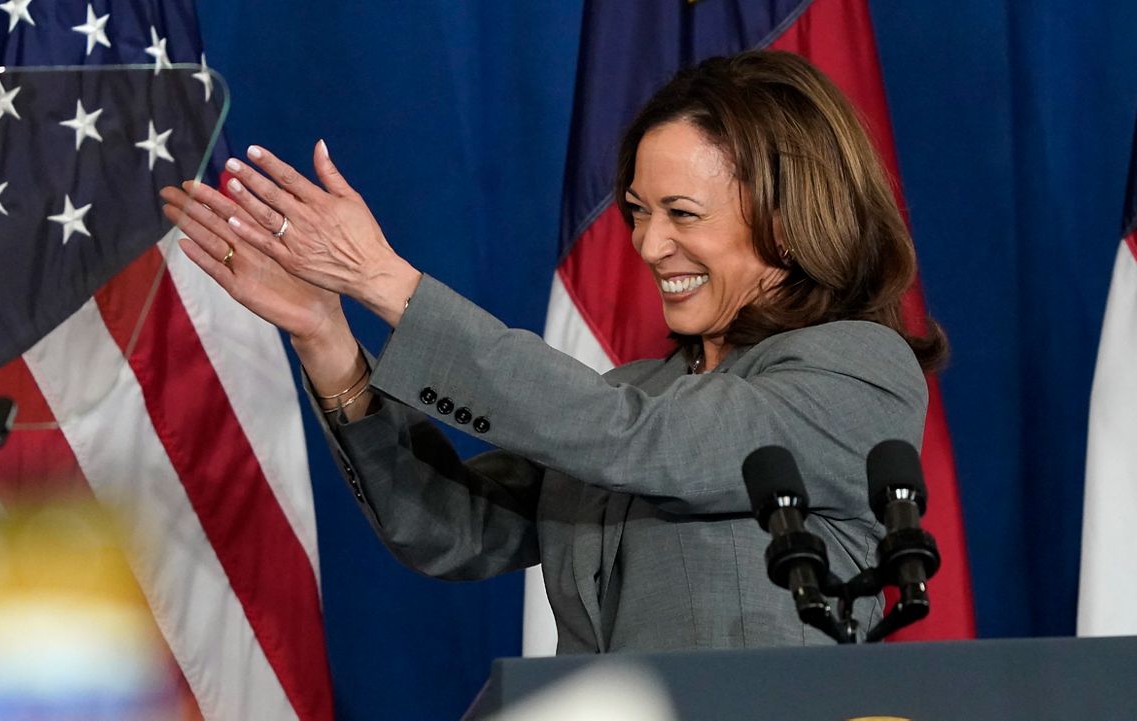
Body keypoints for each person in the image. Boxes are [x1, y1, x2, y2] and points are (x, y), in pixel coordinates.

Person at [158, 50, 946, 653]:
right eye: (637, 210)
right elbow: (451, 526)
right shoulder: (636, 391)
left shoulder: (859, 370)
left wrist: (385, 281)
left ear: (787, 215)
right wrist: (325, 335)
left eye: (681, 212)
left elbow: (645, 441)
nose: (648, 243)